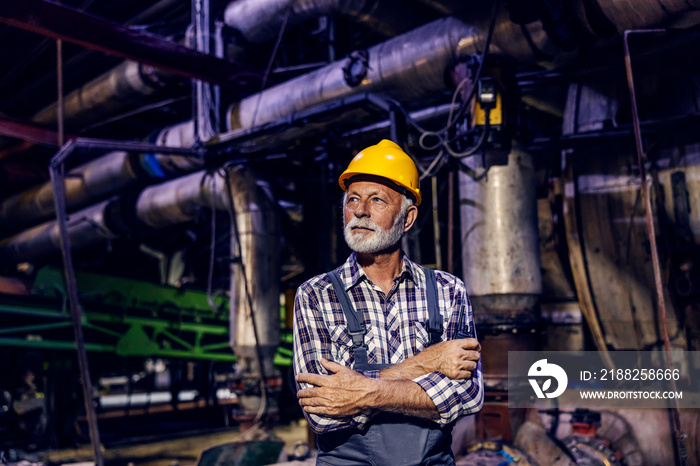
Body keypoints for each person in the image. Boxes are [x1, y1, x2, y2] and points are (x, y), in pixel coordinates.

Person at [293, 139, 483, 465]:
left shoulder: (448, 290)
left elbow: (468, 395)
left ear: (407, 219)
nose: (360, 211)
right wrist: (428, 364)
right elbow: (322, 413)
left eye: (376, 200)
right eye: (352, 199)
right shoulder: (315, 295)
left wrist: (362, 391)